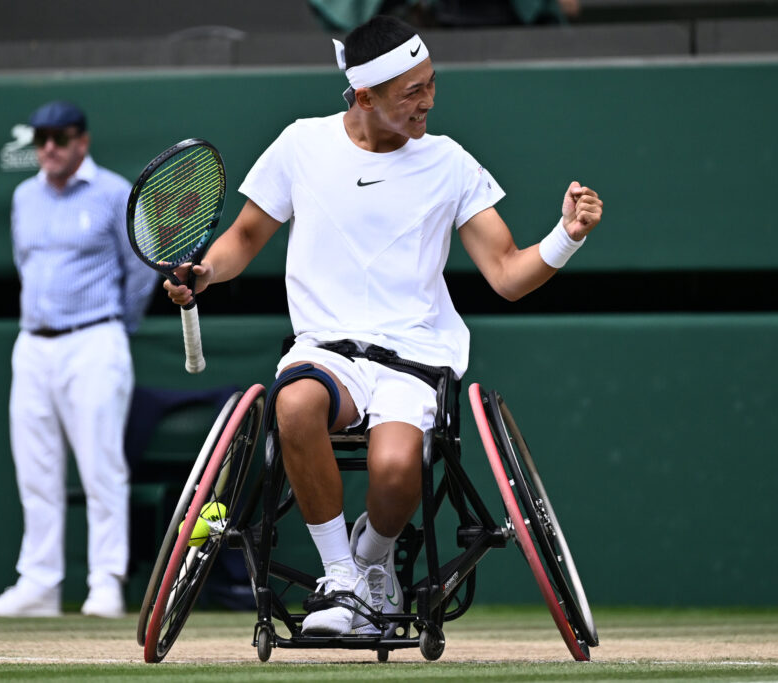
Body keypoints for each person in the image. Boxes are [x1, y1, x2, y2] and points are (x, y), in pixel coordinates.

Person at [164, 16, 603, 636]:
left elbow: (507, 273)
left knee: (397, 469)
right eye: (411, 91)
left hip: (415, 357)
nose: (428, 99)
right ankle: (340, 578)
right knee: (293, 406)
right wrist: (204, 272)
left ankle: (372, 562)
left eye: (431, 84)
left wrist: (567, 238)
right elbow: (242, 239)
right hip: (326, 351)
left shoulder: (449, 162)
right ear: (364, 96)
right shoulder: (301, 145)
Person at [0, 100, 159, 619]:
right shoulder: (23, 196)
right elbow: (25, 263)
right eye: (40, 139)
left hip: (95, 340)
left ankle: (105, 581)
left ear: (82, 140)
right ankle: (38, 583)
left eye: (59, 138)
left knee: (102, 463)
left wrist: (112, 328)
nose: (48, 149)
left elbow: (141, 271)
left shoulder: (112, 194)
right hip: (32, 343)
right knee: (35, 468)